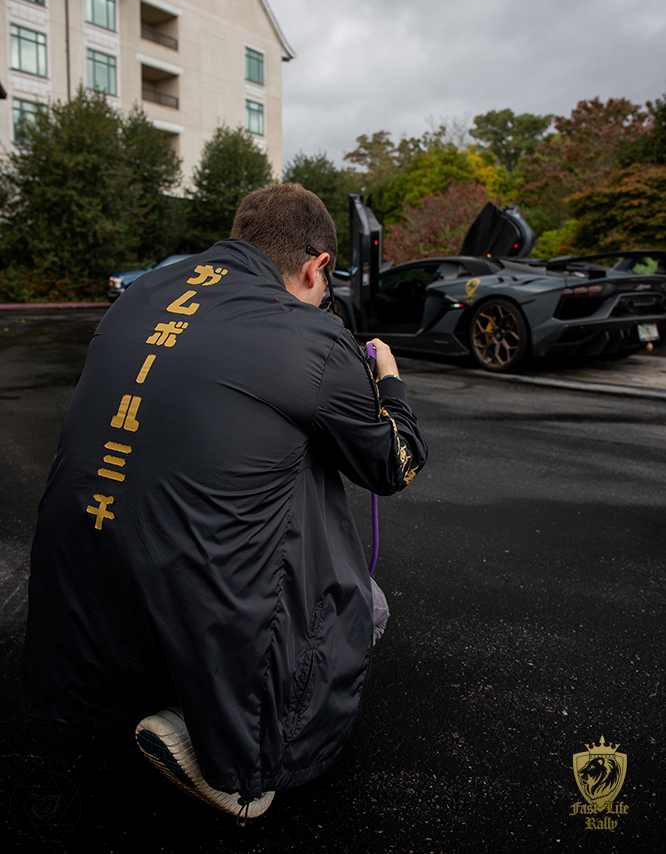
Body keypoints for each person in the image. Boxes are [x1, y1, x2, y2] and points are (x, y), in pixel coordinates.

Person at [22, 183, 427, 820]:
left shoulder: (143, 294)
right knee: (367, 605)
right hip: (195, 589)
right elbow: (391, 464)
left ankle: (170, 684)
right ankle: (237, 762)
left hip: (78, 585)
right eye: (326, 284)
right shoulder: (312, 335)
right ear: (318, 265)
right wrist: (391, 380)